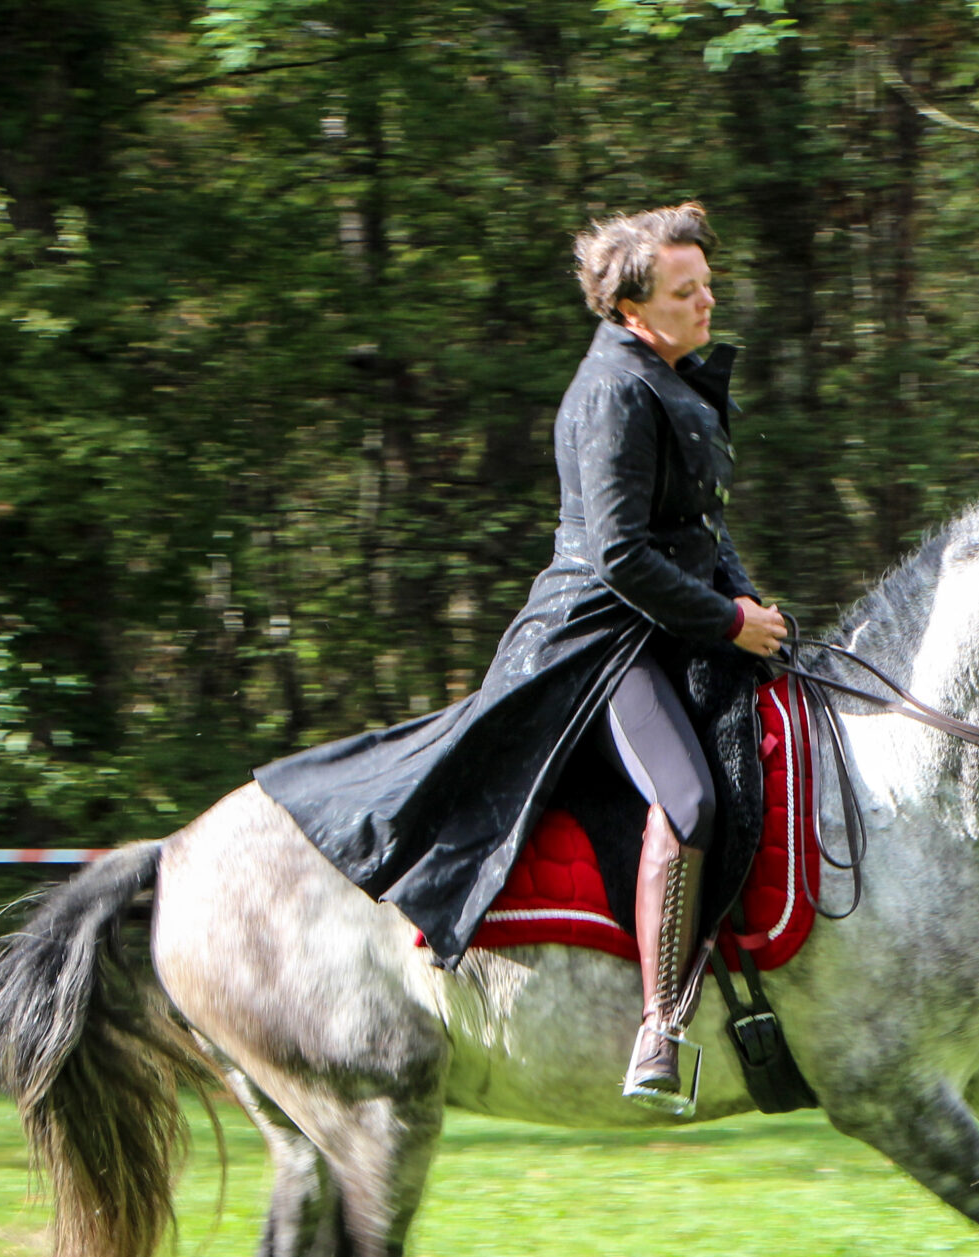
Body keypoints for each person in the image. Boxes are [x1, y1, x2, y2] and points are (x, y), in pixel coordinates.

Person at [253, 202, 785, 1115]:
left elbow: (696, 526)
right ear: (630, 306)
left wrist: (749, 602)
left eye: (707, 285)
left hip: (665, 623)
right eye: (685, 290)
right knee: (689, 799)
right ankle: (659, 1029)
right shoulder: (615, 390)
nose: (707, 303)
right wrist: (724, 623)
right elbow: (620, 555)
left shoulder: (671, 376)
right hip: (598, 643)